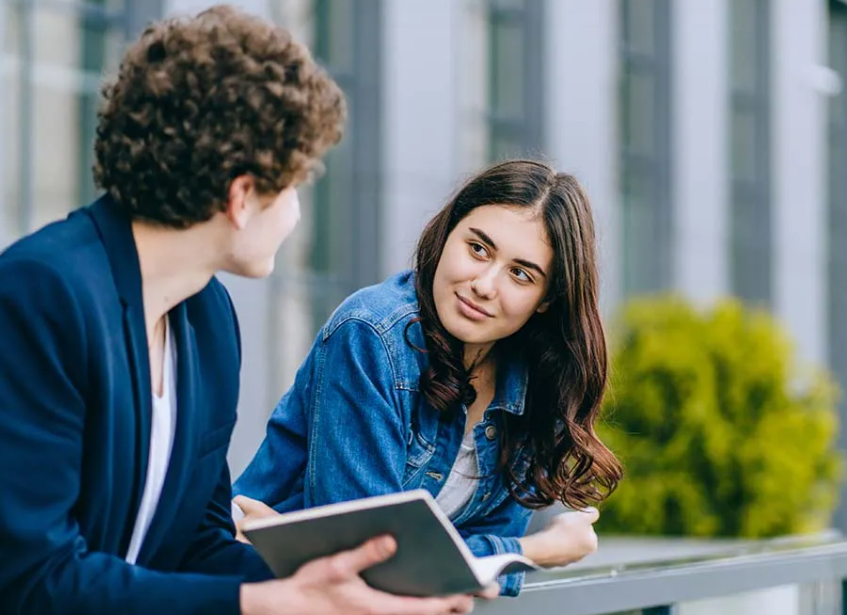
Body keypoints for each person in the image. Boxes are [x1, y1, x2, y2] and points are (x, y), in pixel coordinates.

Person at [0, 6, 475, 615]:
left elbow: (194, 547)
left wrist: (352, 588)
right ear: (243, 195)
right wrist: (273, 603)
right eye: (295, 185)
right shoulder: (42, 294)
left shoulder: (208, 319)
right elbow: (32, 580)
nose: (298, 214)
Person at [232, 159, 625, 596]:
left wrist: (465, 564)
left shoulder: (536, 382)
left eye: (520, 273)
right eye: (478, 249)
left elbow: (470, 580)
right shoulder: (372, 334)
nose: (484, 285)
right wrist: (538, 549)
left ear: (547, 299)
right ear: (447, 233)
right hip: (263, 591)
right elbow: (365, 557)